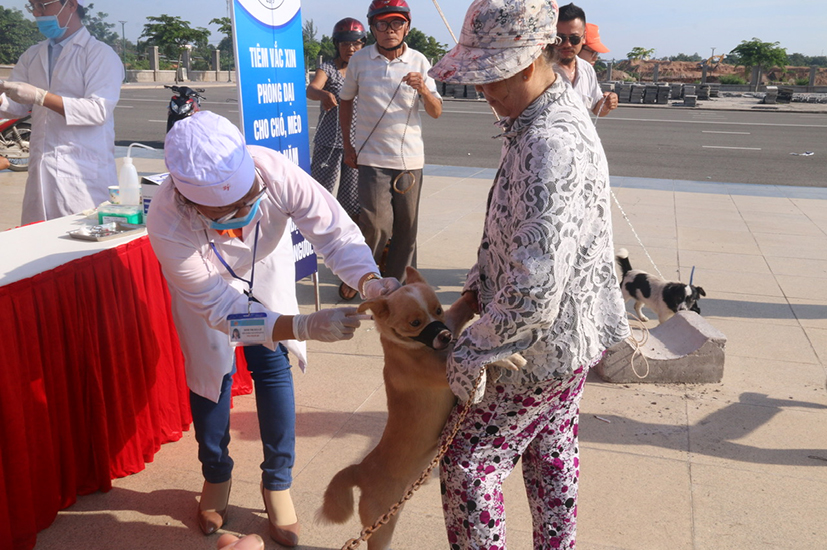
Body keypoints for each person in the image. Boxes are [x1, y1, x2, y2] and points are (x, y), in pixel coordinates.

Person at [146, 111, 400, 548]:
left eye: (250, 199)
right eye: (227, 211)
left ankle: (277, 481)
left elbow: (335, 234)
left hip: (265, 268)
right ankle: (216, 474)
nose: (244, 215)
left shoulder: (272, 169)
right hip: (211, 289)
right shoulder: (168, 221)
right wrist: (301, 324)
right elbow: (223, 311)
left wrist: (370, 281)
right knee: (212, 376)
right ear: (190, 203)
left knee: (272, 364)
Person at [429, 0, 630, 548]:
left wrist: (470, 352)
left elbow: (533, 287)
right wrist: (470, 298)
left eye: (491, 78)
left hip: (537, 347)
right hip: (569, 341)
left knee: (469, 469)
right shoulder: (539, 116)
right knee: (551, 449)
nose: (484, 92)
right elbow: (508, 232)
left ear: (526, 63)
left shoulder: (550, 141)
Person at [339, 0, 442, 290]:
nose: (389, 30)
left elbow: (436, 111)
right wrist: (348, 145)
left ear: (407, 26)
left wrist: (423, 88)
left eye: (396, 23)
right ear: (372, 27)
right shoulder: (359, 61)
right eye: (382, 24)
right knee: (376, 225)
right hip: (371, 158)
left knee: (407, 231)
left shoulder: (420, 61)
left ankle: (396, 286)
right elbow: (345, 101)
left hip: (410, 160)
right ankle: (362, 277)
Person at [0, 0, 122, 224]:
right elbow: (15, 105)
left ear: (72, 5)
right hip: (41, 172)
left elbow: (97, 111)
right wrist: (5, 93)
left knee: (81, 250)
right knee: (39, 245)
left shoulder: (99, 55)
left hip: (82, 176)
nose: (36, 13)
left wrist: (41, 97)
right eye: (32, 6)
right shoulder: (33, 55)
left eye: (42, 5)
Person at [306, 17, 367, 300]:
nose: (351, 48)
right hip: (329, 144)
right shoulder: (328, 68)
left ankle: (346, 261)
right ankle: (307, 252)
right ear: (337, 46)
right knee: (317, 198)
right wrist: (323, 94)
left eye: (356, 43)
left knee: (351, 205)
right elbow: (311, 88)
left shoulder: (366, 68)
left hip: (355, 147)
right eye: (345, 43)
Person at [553, 3, 617, 117]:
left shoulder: (586, 69)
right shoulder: (541, 70)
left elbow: (597, 109)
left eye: (574, 39)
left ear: (584, 38)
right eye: (560, 38)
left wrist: (607, 104)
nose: (567, 44)